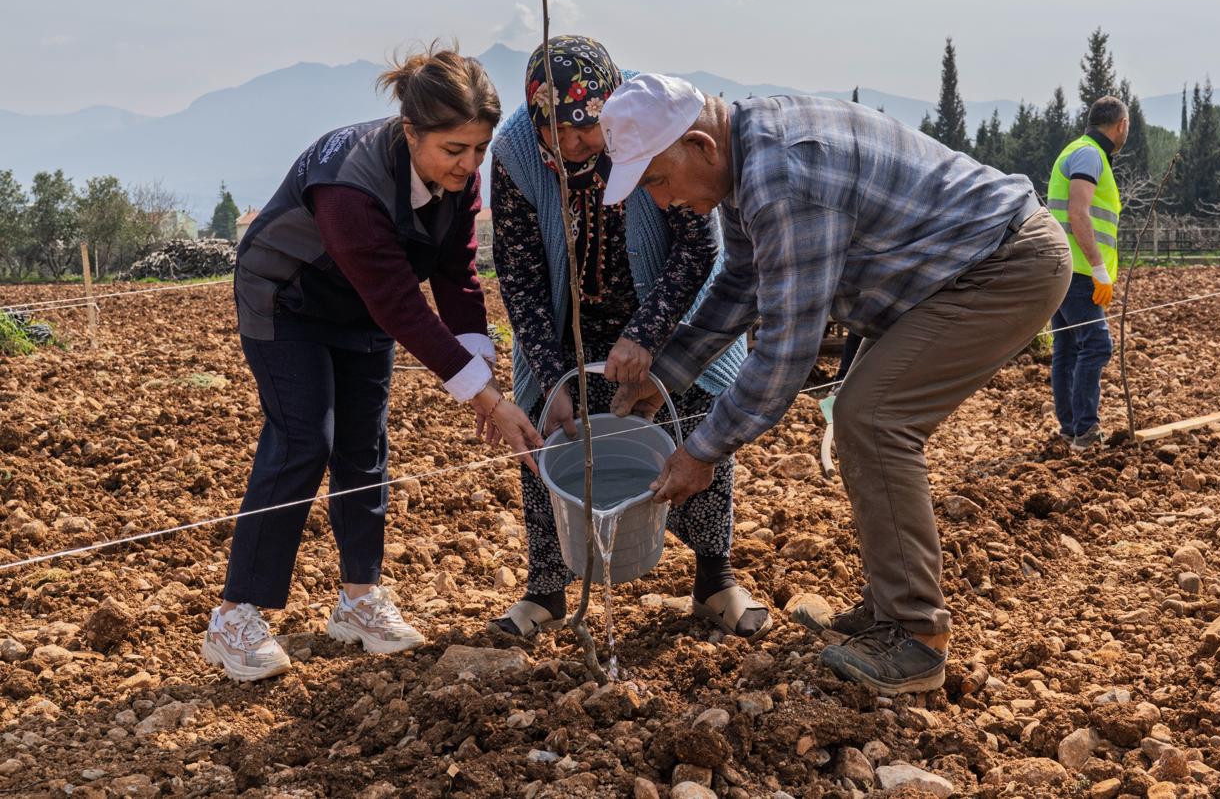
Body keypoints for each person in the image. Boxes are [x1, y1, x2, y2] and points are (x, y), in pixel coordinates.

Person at [602, 78, 1070, 695]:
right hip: (945, 273)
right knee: (863, 416)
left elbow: (786, 351)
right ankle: (889, 610)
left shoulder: (782, 178)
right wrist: (666, 376)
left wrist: (702, 450)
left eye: (659, 180)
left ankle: (915, 638)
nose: (662, 202)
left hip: (1001, 265)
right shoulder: (745, 161)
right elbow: (742, 284)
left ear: (699, 145)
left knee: (872, 419)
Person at [206, 45, 542, 682]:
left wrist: (484, 371)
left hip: (360, 305)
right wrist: (489, 401)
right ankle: (234, 618)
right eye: (454, 150)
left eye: (479, 149)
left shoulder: (459, 177)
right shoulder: (349, 186)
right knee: (303, 439)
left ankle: (359, 601)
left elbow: (455, 272)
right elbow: (398, 304)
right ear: (411, 131)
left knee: (364, 444)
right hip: (287, 300)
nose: (469, 164)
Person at [486, 38, 767, 640]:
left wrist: (645, 335)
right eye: (556, 132)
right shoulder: (515, 153)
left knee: (693, 418)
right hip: (565, 322)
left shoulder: (647, 119)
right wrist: (552, 374)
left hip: (669, 310)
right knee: (552, 434)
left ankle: (713, 580)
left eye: (585, 131)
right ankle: (545, 589)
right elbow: (520, 274)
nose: (572, 145)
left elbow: (699, 246)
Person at [1045, 97, 1129, 451]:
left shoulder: (1077, 151)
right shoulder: (1089, 155)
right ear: (1121, 125)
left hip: (1061, 267)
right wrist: (1097, 268)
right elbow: (1079, 212)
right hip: (1078, 270)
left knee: (1067, 347)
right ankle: (1086, 432)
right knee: (1096, 344)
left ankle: (1071, 430)